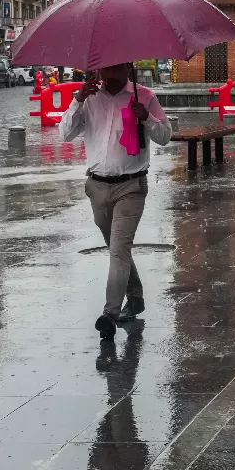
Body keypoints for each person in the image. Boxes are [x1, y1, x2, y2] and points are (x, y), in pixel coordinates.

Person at [59, 63, 174, 341]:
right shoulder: (89, 98)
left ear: (128, 69)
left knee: (119, 249)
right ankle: (135, 298)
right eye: (105, 69)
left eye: (117, 69)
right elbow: (65, 134)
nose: (110, 75)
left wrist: (146, 118)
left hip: (131, 186)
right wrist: (77, 100)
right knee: (115, 248)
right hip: (97, 186)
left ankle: (110, 313)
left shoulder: (143, 96)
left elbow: (165, 136)